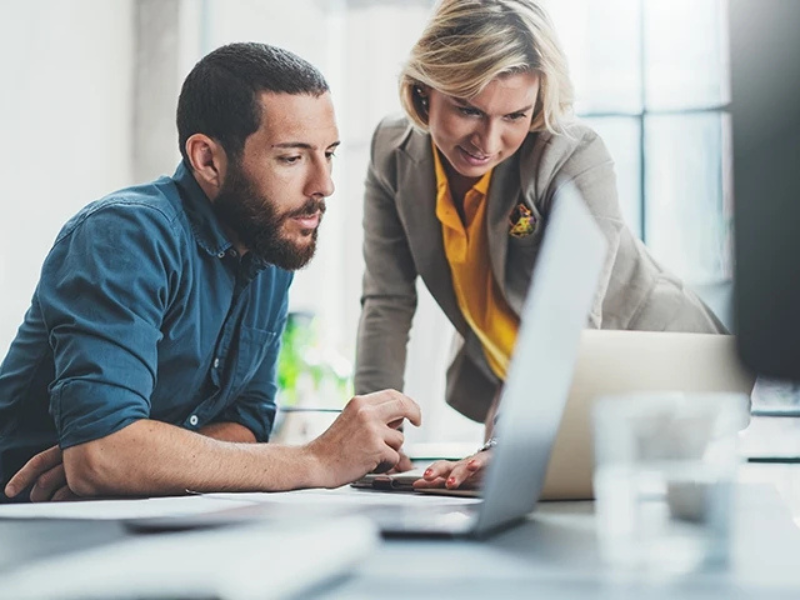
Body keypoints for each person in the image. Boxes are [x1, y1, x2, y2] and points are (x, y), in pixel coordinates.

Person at [0, 42, 420, 503]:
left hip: (141, 524)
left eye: (329, 154)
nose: (324, 185)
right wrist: (316, 459)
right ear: (207, 159)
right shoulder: (124, 235)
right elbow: (103, 457)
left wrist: (142, 456)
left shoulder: (269, 244)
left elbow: (247, 422)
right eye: (292, 158)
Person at [354, 0, 724, 491]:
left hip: (654, 375)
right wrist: (375, 439)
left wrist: (507, 443)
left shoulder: (572, 157)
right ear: (424, 91)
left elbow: (566, 326)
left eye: (515, 115)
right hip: (523, 384)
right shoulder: (391, 152)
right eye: (468, 109)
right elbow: (387, 303)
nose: (488, 139)